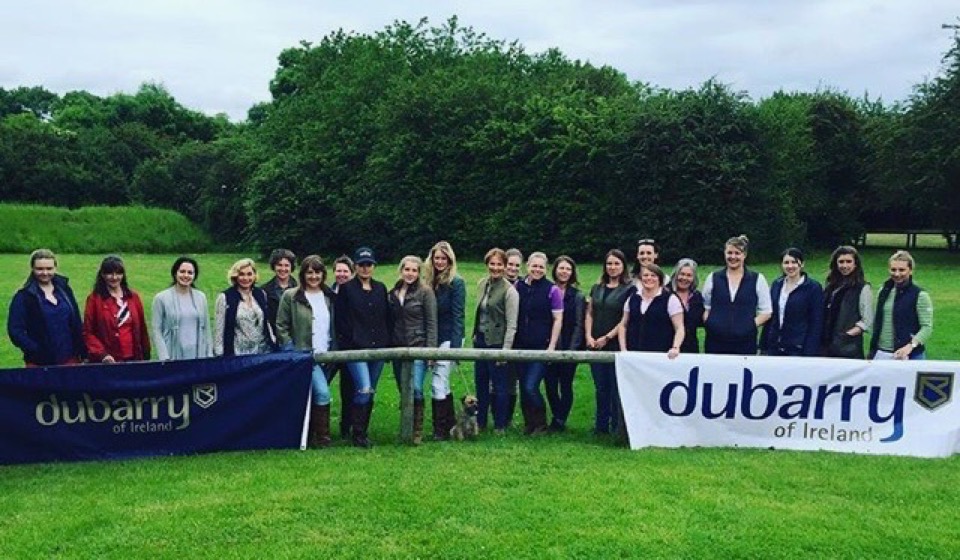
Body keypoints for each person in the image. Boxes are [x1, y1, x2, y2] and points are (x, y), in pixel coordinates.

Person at [276, 255, 336, 448]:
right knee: (323, 393)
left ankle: (308, 435)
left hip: (327, 354)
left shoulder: (329, 296)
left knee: (312, 396)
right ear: (302, 274)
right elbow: (281, 325)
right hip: (305, 356)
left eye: (317, 272)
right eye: (309, 272)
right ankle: (323, 439)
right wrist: (292, 351)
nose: (313, 276)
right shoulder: (291, 296)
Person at [335, 246, 391, 448]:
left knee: (371, 389)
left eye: (369, 265)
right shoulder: (347, 289)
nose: (366, 268)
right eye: (361, 265)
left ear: (374, 266)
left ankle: (362, 430)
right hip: (356, 347)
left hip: (378, 347)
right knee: (364, 388)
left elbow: (386, 317)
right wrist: (349, 343)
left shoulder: (381, 288)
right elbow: (341, 320)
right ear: (356, 266)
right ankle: (357, 433)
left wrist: (387, 342)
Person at [389, 255, 438, 445]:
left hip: (418, 346)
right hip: (398, 347)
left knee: (416, 388)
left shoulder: (425, 293)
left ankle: (417, 431)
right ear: (401, 270)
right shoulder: (393, 292)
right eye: (407, 269)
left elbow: (432, 323)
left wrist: (431, 352)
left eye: (414, 270)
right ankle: (406, 428)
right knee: (404, 389)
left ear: (419, 273)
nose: (410, 273)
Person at [7, 249, 86, 366]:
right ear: (32, 269)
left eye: (49, 269)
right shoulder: (24, 296)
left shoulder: (65, 290)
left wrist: (82, 351)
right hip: (40, 363)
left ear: (55, 268)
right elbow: (15, 331)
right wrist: (35, 350)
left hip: (70, 360)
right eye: (40, 269)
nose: (45, 273)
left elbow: (76, 322)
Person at [584, 249, 633, 435]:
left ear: (623, 266)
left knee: (615, 387)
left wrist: (608, 337)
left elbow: (625, 319)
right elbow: (590, 312)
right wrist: (589, 336)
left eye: (616, 264)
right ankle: (600, 426)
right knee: (600, 386)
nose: (612, 267)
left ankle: (616, 426)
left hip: (613, 343)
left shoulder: (629, 289)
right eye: (609, 264)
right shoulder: (597, 288)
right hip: (594, 343)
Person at [514, 252, 563, 436]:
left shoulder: (552, 290)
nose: (537, 269)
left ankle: (541, 423)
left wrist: (551, 346)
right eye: (534, 266)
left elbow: (558, 319)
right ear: (528, 266)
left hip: (541, 346)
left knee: (530, 386)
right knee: (523, 387)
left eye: (541, 267)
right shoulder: (518, 286)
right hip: (520, 345)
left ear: (546, 269)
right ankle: (529, 424)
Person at [472, 248, 519, 433]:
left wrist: (504, 351)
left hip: (498, 343)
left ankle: (500, 425)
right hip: (481, 340)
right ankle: (481, 422)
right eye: (492, 264)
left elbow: (512, 324)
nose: (496, 267)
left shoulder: (510, 291)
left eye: (499, 264)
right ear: (487, 265)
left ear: (505, 266)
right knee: (481, 382)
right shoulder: (482, 284)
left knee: (500, 386)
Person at [702, 235, 772, 355]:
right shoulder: (713, 278)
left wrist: (748, 325)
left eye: (737, 253)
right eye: (729, 253)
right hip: (715, 342)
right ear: (724, 254)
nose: (733, 257)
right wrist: (711, 323)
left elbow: (766, 311)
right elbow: (705, 306)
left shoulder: (757, 279)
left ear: (744, 255)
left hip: (745, 343)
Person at [424, 241, 465, 440]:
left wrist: (455, 349)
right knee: (444, 382)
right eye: (436, 258)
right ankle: (449, 424)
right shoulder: (430, 281)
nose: (439, 262)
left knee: (438, 382)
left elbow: (459, 315)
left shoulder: (456, 282)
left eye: (443, 258)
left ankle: (439, 430)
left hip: (450, 338)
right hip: (433, 337)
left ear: (450, 260)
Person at [82, 255, 150, 363]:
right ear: (103, 275)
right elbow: (88, 332)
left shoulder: (133, 297)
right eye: (110, 273)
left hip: (133, 357)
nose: (114, 277)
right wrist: (102, 354)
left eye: (118, 273)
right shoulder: (94, 300)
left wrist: (145, 354)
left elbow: (142, 328)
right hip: (108, 360)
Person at [544, 255, 584, 432]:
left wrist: (571, 350)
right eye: (561, 268)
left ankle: (560, 420)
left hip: (568, 346)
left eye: (568, 269)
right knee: (550, 385)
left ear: (572, 272)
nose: (564, 272)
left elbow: (578, 324)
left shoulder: (577, 296)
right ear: (555, 270)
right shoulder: (548, 291)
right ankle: (557, 416)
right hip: (550, 345)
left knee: (565, 385)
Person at [869, 250, 933, 360]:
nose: (897, 274)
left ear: (910, 270)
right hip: (882, 353)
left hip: (911, 355)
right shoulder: (883, 291)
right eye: (893, 270)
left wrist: (910, 346)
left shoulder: (920, 295)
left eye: (902, 270)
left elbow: (927, 327)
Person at [761, 248, 824, 357]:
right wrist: (763, 345)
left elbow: (816, 322)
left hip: (798, 349)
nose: (790, 266)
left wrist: (810, 351)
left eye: (794, 262)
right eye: (786, 262)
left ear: (802, 264)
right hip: (774, 347)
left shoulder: (813, 288)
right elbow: (771, 316)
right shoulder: (777, 285)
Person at [151, 256, 213, 360]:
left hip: (198, 355)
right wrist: (164, 357)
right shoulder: (161, 298)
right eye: (182, 271)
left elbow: (206, 328)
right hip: (172, 356)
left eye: (190, 272)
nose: (186, 275)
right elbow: (156, 330)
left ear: (194, 276)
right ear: (175, 273)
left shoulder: (201, 297)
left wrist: (209, 353)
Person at [619, 263, 685, 358]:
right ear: (641, 279)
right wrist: (623, 349)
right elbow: (623, 325)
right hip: (634, 356)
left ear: (660, 279)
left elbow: (679, 327)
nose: (649, 278)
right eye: (645, 275)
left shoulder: (670, 299)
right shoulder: (632, 298)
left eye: (653, 275)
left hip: (660, 356)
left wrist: (675, 347)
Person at [214, 258, 276, 356]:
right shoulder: (225, 297)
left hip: (263, 351)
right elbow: (219, 328)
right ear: (235, 276)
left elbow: (266, 321)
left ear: (255, 276)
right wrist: (219, 353)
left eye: (249, 274)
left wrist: (273, 339)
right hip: (238, 353)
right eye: (241, 274)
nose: (246, 278)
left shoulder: (261, 294)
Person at [822, 246, 874, 359]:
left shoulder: (863, 288)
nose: (844, 266)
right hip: (826, 345)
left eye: (849, 261)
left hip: (848, 348)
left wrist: (847, 335)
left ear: (856, 264)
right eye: (841, 262)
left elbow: (867, 320)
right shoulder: (830, 286)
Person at [330, 254, 356, 437]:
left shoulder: (356, 293)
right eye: (338, 270)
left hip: (349, 348)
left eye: (345, 271)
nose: (341, 274)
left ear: (352, 273)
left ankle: (346, 427)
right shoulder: (327, 292)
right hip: (330, 348)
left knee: (349, 390)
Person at [669, 258, 704, 353]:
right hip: (669, 347)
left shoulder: (697, 297)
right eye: (682, 274)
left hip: (691, 349)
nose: (684, 278)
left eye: (689, 275)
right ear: (676, 275)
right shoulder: (666, 294)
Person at [262, 248, 297, 334]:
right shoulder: (264, 291)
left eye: (286, 265)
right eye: (279, 265)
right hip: (273, 336)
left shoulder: (300, 289)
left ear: (291, 267)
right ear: (273, 266)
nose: (283, 268)